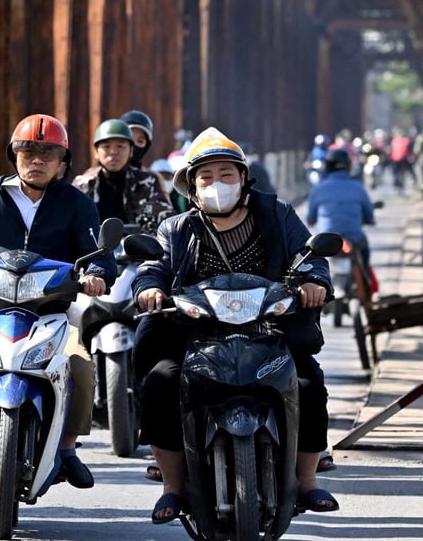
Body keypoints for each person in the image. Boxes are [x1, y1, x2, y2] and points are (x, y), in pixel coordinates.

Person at [132, 127, 339, 524]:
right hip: (196, 334)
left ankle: (308, 480)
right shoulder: (175, 229)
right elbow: (152, 267)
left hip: (270, 330)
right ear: (191, 187)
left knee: (309, 382)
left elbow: (310, 254)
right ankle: (172, 486)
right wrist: (149, 290)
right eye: (206, 177)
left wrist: (314, 281)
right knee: (159, 381)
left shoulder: (277, 214)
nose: (216, 184)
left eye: (227, 174)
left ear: (244, 179)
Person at [0, 114, 118, 489]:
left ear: (63, 161)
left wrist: (96, 274)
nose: (37, 160)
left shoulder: (77, 204)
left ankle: (65, 447)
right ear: (13, 155)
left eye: (48, 153)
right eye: (27, 150)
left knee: (79, 364)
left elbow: (97, 251)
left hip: (51, 310)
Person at [72, 118, 174, 233]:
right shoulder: (83, 184)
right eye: (106, 146)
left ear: (131, 151)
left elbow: (166, 219)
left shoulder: (148, 181)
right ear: (96, 151)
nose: (114, 152)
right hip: (92, 248)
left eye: (120, 146)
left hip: (138, 247)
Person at [305, 148, 376, 271]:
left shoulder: (318, 188)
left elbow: (310, 218)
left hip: (325, 241)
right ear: (348, 166)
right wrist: (369, 220)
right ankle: (366, 282)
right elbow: (369, 215)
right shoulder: (358, 187)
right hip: (354, 239)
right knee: (365, 254)